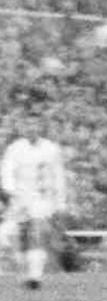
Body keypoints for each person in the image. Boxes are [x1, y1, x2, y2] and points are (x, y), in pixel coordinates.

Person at [1, 92, 68, 290]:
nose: (32, 128)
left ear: (40, 127)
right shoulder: (15, 148)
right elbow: (6, 172)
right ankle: (26, 274)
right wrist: (11, 193)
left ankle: (35, 279)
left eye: (35, 124)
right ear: (23, 127)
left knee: (37, 232)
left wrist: (61, 203)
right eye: (28, 125)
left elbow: (59, 177)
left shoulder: (51, 149)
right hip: (19, 200)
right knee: (15, 237)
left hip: (42, 200)